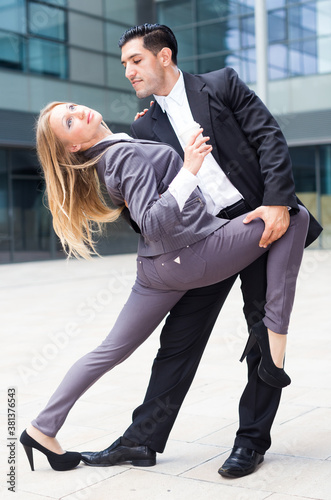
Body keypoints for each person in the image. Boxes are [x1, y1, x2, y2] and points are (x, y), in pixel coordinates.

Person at [80, 24, 322, 478]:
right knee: (178, 339)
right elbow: (150, 198)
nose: (129, 72)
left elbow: (269, 138)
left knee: (261, 330)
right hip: (204, 240)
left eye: (136, 61)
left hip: (260, 220)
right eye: (124, 65)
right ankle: (142, 440)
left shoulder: (222, 84)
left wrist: (276, 204)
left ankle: (251, 442)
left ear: (164, 56)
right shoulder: (142, 125)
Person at [21, 99, 310, 473]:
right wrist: (189, 168)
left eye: (74, 108)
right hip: (192, 254)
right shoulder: (123, 156)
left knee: (109, 349)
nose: (81, 113)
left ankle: (42, 428)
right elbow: (152, 221)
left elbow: (147, 214)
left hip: (154, 269)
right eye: (70, 122)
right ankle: (276, 333)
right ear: (73, 146)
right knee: (291, 212)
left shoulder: (118, 149)